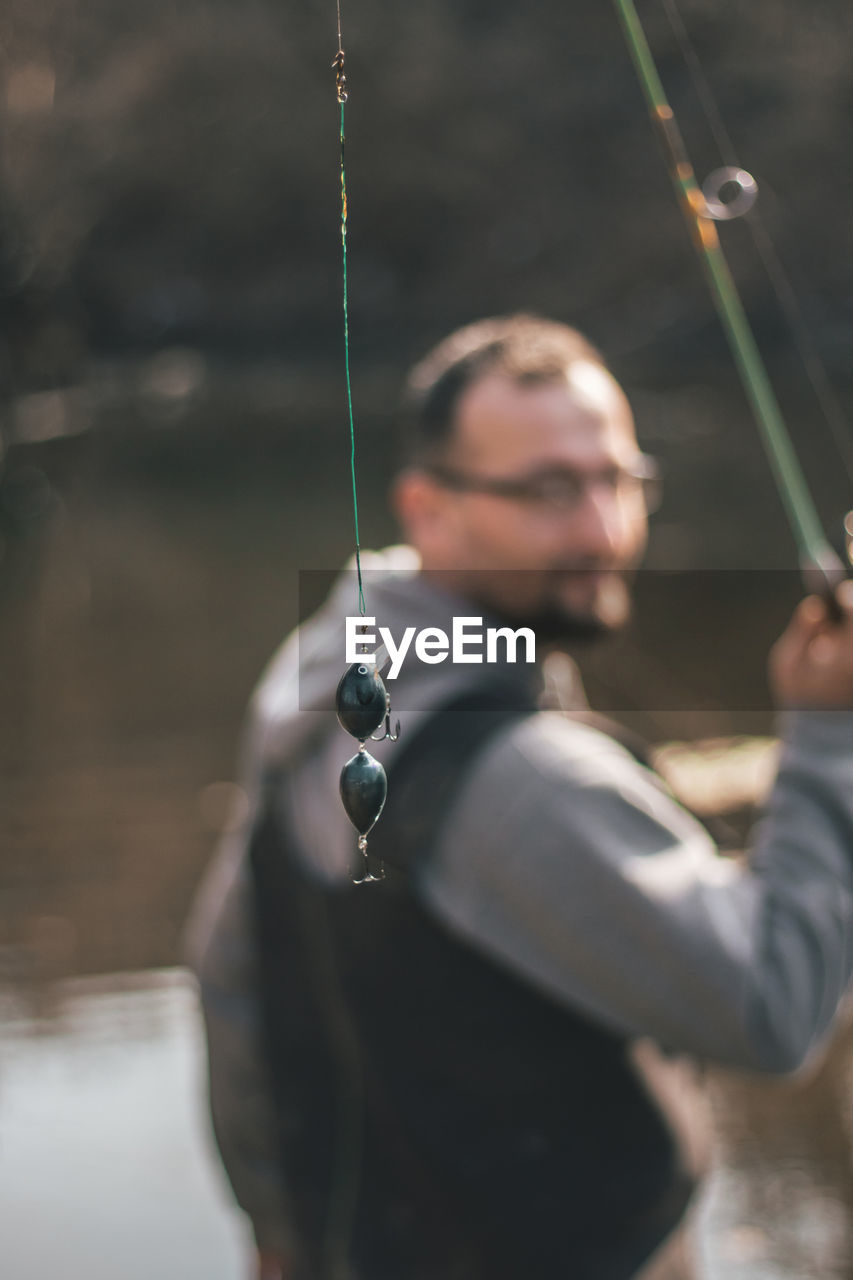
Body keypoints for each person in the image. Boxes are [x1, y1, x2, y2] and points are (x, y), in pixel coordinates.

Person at [186, 314, 853, 1280]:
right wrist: (828, 736)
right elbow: (775, 1007)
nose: (600, 528)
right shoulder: (519, 783)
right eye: (547, 491)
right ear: (429, 510)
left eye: (617, 479)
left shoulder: (335, 658)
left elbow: (228, 970)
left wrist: (280, 1233)